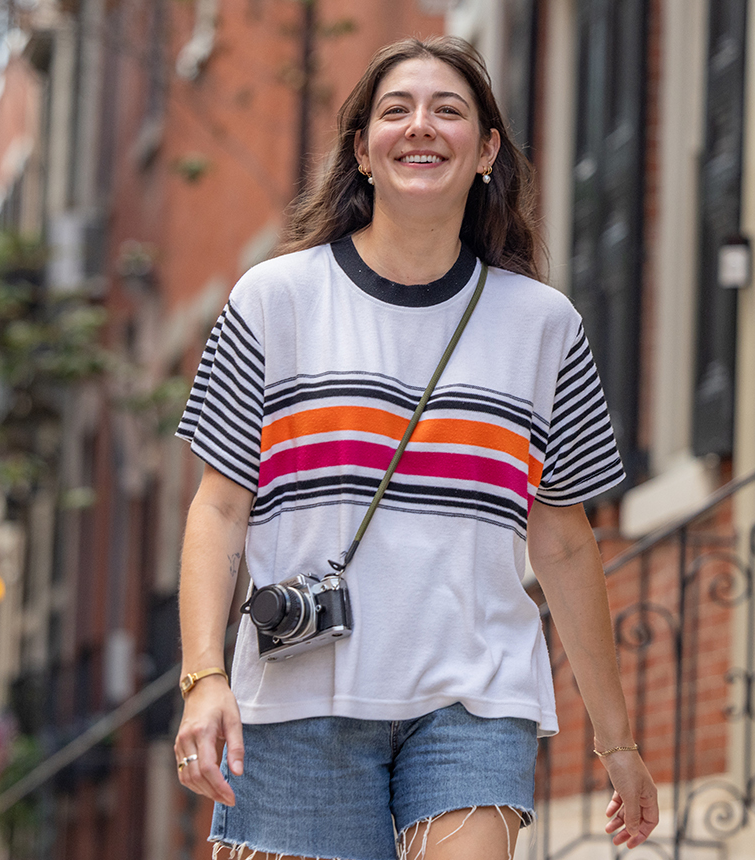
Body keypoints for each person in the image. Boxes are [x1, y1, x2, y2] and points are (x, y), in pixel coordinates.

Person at [172, 35, 659, 860]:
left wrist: (617, 744)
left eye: (449, 110)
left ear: (487, 150)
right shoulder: (276, 299)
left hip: (474, 697)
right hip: (301, 699)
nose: (420, 127)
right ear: (362, 150)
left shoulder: (543, 326)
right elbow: (220, 505)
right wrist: (203, 677)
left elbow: (566, 542)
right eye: (395, 111)